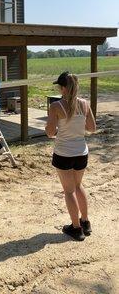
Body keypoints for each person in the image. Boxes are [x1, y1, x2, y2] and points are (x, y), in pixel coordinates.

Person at [45, 71, 96, 241]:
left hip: (64, 153)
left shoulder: (56, 106)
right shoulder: (85, 104)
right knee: (78, 186)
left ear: (63, 88)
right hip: (81, 152)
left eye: (60, 86)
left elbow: (50, 133)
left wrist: (57, 129)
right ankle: (85, 222)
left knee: (69, 191)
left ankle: (76, 228)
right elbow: (92, 128)